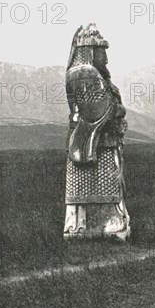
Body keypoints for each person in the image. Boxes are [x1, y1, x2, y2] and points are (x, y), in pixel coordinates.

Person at [63, 23, 130, 240]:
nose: (106, 59)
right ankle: (104, 226)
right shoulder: (84, 73)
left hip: (102, 139)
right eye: (102, 52)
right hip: (94, 140)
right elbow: (102, 108)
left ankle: (94, 226)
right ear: (91, 51)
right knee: (103, 182)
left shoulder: (91, 74)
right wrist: (119, 109)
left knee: (105, 183)